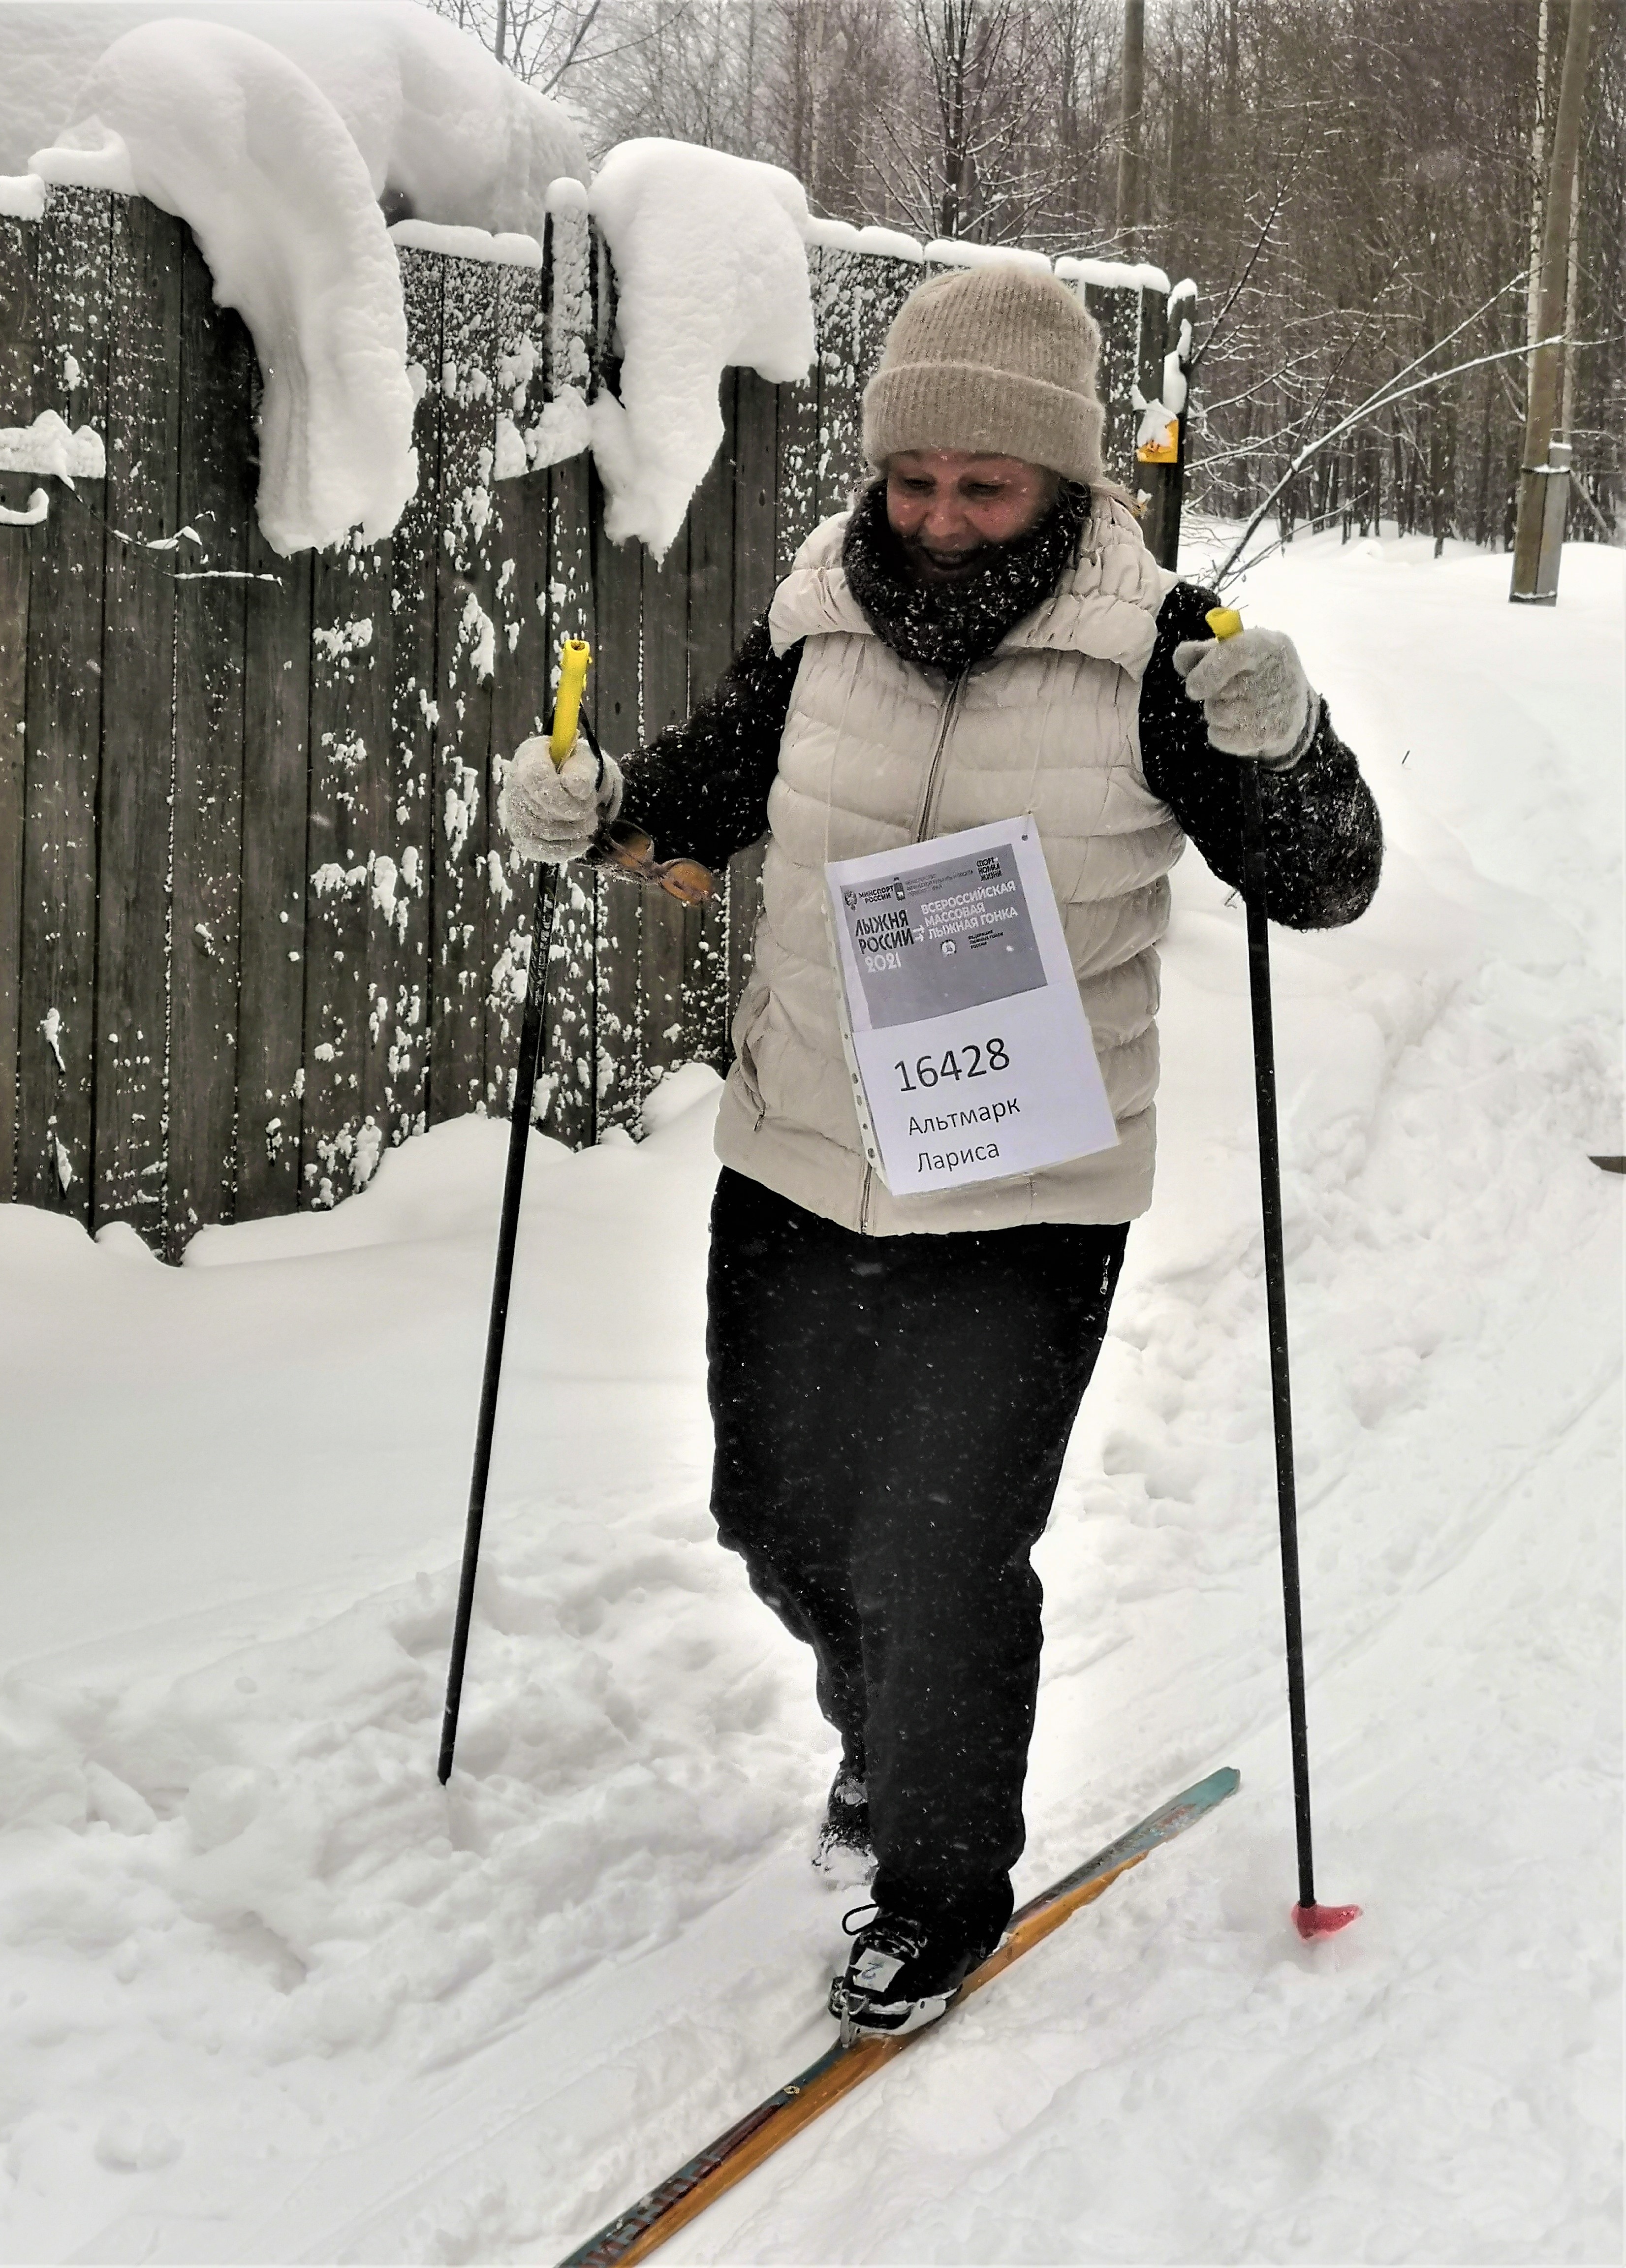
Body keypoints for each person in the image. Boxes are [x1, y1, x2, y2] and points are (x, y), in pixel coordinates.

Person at [500, 263, 1382, 2045]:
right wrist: (599, 814)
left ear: (1067, 483)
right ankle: (890, 1738)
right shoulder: (820, 614)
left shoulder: (1165, 653)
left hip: (1025, 1187)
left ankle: (943, 1882)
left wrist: (1289, 750)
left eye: (985, 484)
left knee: (936, 1552)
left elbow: (1322, 880)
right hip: (804, 1147)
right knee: (778, 1519)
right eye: (915, 478)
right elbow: (705, 796)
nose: (939, 514)